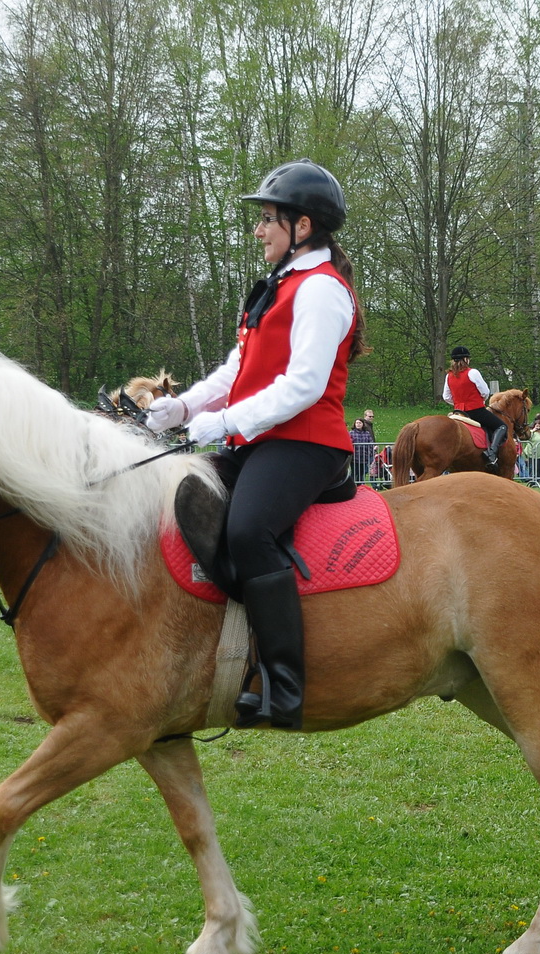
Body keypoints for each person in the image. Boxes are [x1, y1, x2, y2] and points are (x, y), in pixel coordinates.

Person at [145, 159, 362, 729]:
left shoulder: (321, 290)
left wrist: (223, 423)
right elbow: (236, 368)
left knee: (247, 530)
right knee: (187, 499)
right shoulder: (279, 287)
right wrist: (184, 407)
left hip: (307, 442)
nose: (259, 230)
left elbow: (304, 385)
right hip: (261, 439)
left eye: (268, 219)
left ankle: (285, 684)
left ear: (303, 227)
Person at [441, 346, 504, 465]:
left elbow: (446, 397)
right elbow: (485, 391)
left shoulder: (448, 376)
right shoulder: (473, 372)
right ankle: (491, 454)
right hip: (475, 410)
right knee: (501, 426)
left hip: (458, 412)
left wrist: (458, 403)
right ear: (465, 359)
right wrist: (480, 401)